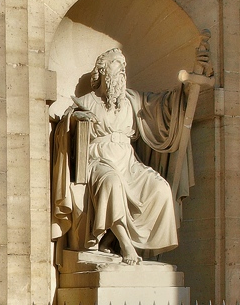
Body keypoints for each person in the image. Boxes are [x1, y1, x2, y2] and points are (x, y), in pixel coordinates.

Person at [52, 46, 209, 264]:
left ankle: (119, 242)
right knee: (112, 182)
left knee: (160, 188)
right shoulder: (87, 101)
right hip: (98, 161)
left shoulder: (131, 100)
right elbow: (64, 129)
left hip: (128, 163)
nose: (123, 69)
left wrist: (192, 81)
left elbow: (165, 107)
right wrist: (76, 119)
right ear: (104, 72)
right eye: (117, 64)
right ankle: (125, 245)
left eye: (124, 66)